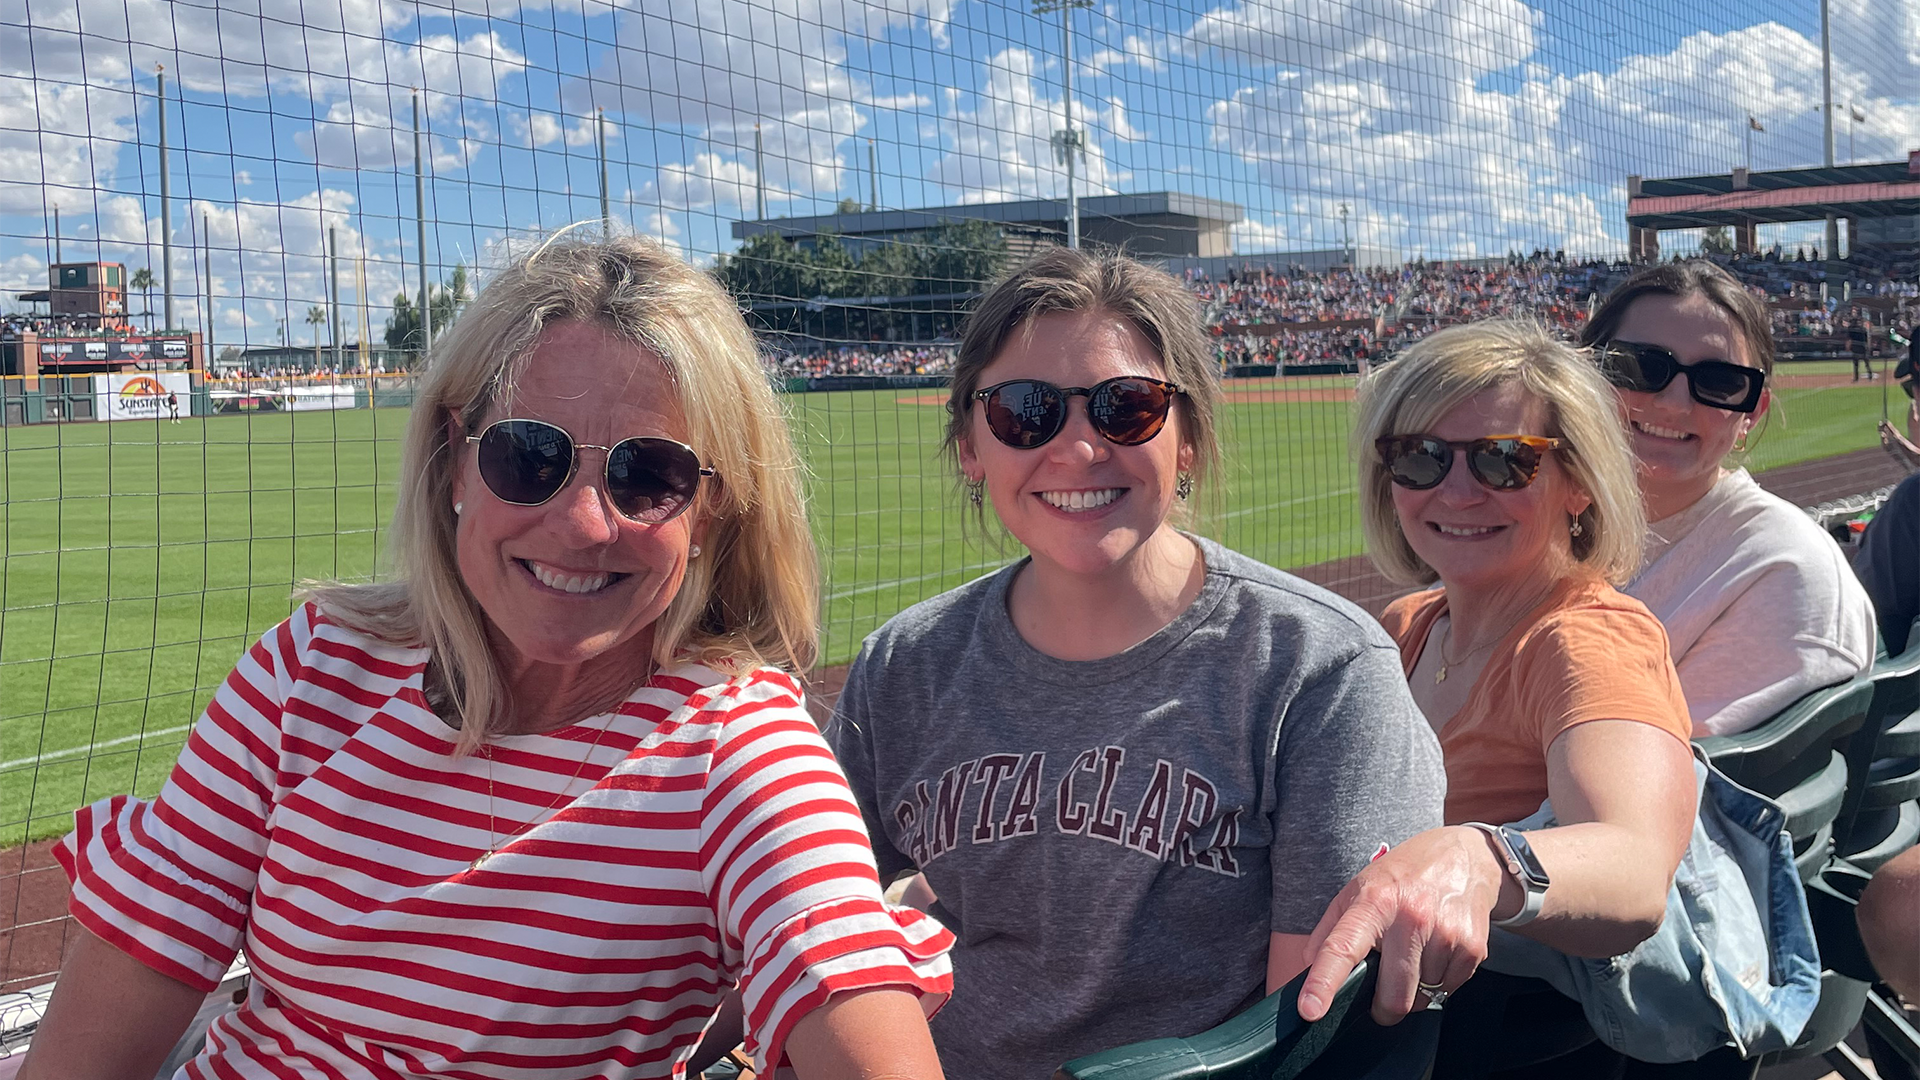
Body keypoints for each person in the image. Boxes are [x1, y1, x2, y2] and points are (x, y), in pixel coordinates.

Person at [22, 235, 951, 1080]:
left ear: (714, 508)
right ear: (454, 461)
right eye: (527, 456)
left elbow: (844, 975)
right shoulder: (312, 669)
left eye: (649, 475)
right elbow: (117, 1003)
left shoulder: (736, 755)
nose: (586, 523)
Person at [827, 248, 1446, 1080]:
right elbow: (810, 912)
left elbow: (1308, 1030)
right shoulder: (903, 666)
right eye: (1024, 412)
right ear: (971, 446)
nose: (1079, 449)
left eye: (1127, 408)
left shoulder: (1318, 668)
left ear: (1186, 437)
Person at [1298, 319, 1699, 1045]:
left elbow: (1637, 872)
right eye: (1418, 458)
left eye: (1503, 461)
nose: (1455, 491)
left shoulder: (1585, 639)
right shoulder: (1407, 624)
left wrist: (1481, 857)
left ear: (1578, 483)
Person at [1577, 261, 1873, 736]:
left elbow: (1673, 790)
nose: (1675, 403)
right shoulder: (1527, 519)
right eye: (1640, 366)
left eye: (1718, 381)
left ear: (1751, 413)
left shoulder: (1785, 573)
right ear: (1586, 373)